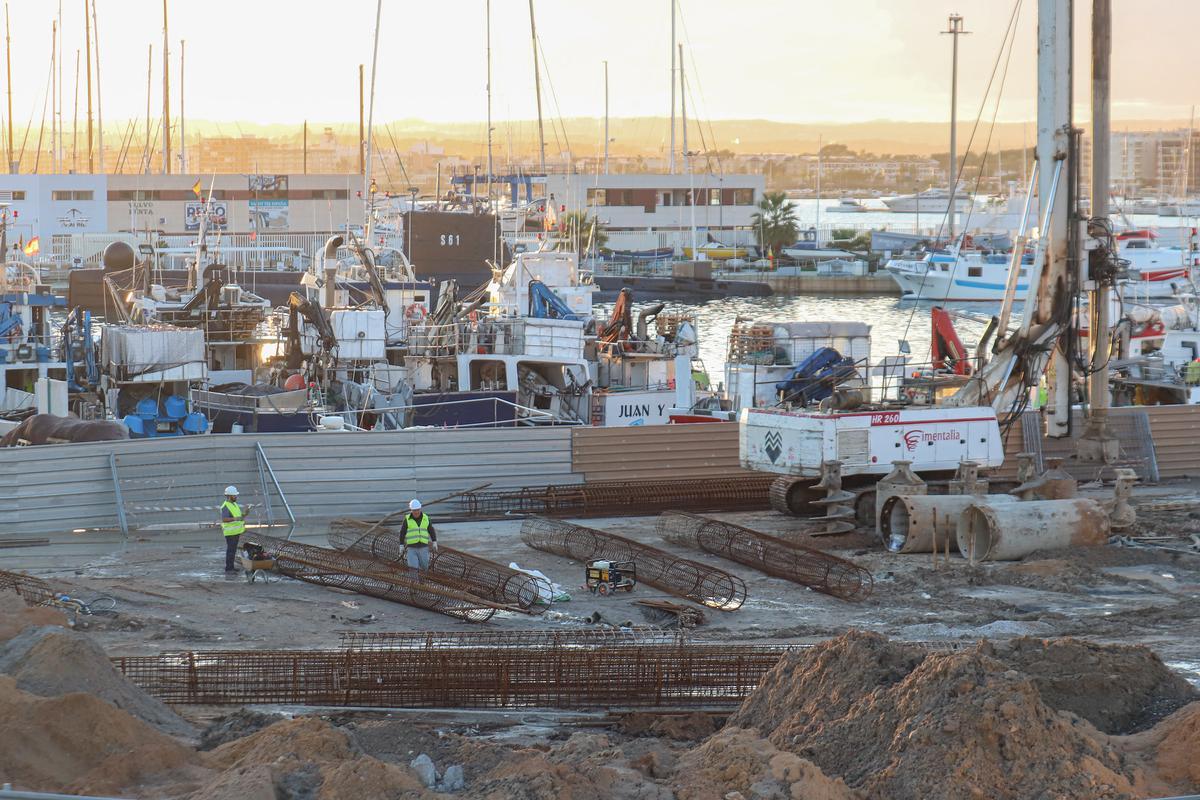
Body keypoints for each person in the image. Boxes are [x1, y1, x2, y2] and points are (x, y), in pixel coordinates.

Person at [220, 486, 249, 574]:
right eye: (234, 495)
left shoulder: (234, 504)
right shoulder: (225, 506)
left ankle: (231, 567)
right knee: (230, 551)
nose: (236, 497)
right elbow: (224, 519)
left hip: (235, 532)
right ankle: (229, 569)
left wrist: (245, 513)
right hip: (230, 533)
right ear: (229, 496)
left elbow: (239, 517)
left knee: (233, 551)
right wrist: (237, 518)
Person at [403, 498, 438, 571]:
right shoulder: (407, 519)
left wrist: (434, 541)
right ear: (411, 510)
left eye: (418, 510)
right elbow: (402, 532)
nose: (416, 512)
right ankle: (415, 582)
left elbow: (431, 530)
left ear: (420, 509)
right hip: (411, 548)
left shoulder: (426, 518)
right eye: (414, 510)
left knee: (425, 568)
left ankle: (423, 581)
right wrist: (401, 545)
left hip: (423, 548)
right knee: (413, 569)